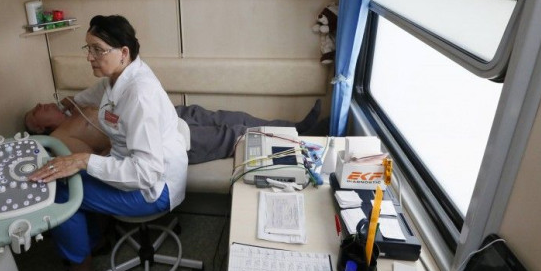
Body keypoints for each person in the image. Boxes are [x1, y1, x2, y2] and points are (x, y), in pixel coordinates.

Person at [27, 15, 188, 271]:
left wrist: (84, 161)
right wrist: (65, 107)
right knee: (66, 178)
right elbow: (94, 95)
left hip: (154, 187)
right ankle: (92, 242)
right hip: (139, 168)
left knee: (60, 194)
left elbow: (146, 173)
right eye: (87, 48)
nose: (89, 57)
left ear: (123, 52)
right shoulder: (117, 77)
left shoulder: (139, 95)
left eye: (97, 49)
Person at [25, 100, 325, 164]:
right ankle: (293, 144)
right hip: (151, 141)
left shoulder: (74, 108)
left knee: (226, 115)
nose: (42, 102)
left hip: (163, 117)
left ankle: (294, 129)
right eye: (38, 109)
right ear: (40, 127)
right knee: (231, 133)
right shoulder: (61, 137)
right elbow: (93, 161)